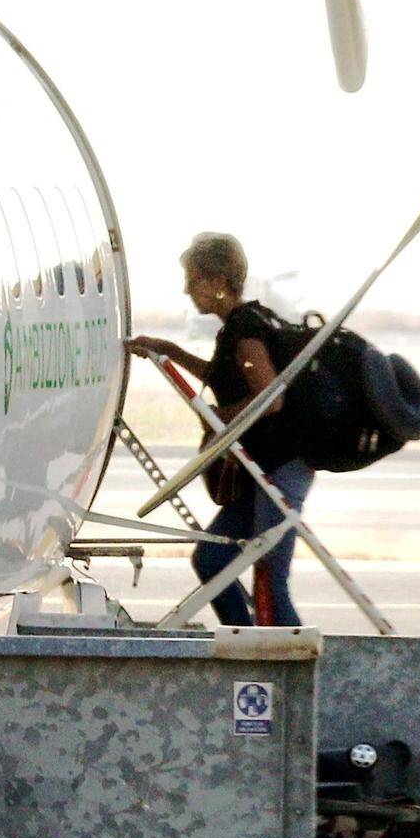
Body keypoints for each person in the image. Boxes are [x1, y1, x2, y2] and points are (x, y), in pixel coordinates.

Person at [128, 231, 317, 628]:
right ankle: (245, 645)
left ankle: (288, 672)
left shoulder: (245, 330)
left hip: (280, 469)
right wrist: (170, 351)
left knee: (268, 580)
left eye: (193, 279)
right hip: (260, 471)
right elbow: (224, 377)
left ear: (217, 282)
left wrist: (221, 422)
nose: (186, 289)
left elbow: (271, 396)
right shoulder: (241, 325)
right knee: (211, 559)